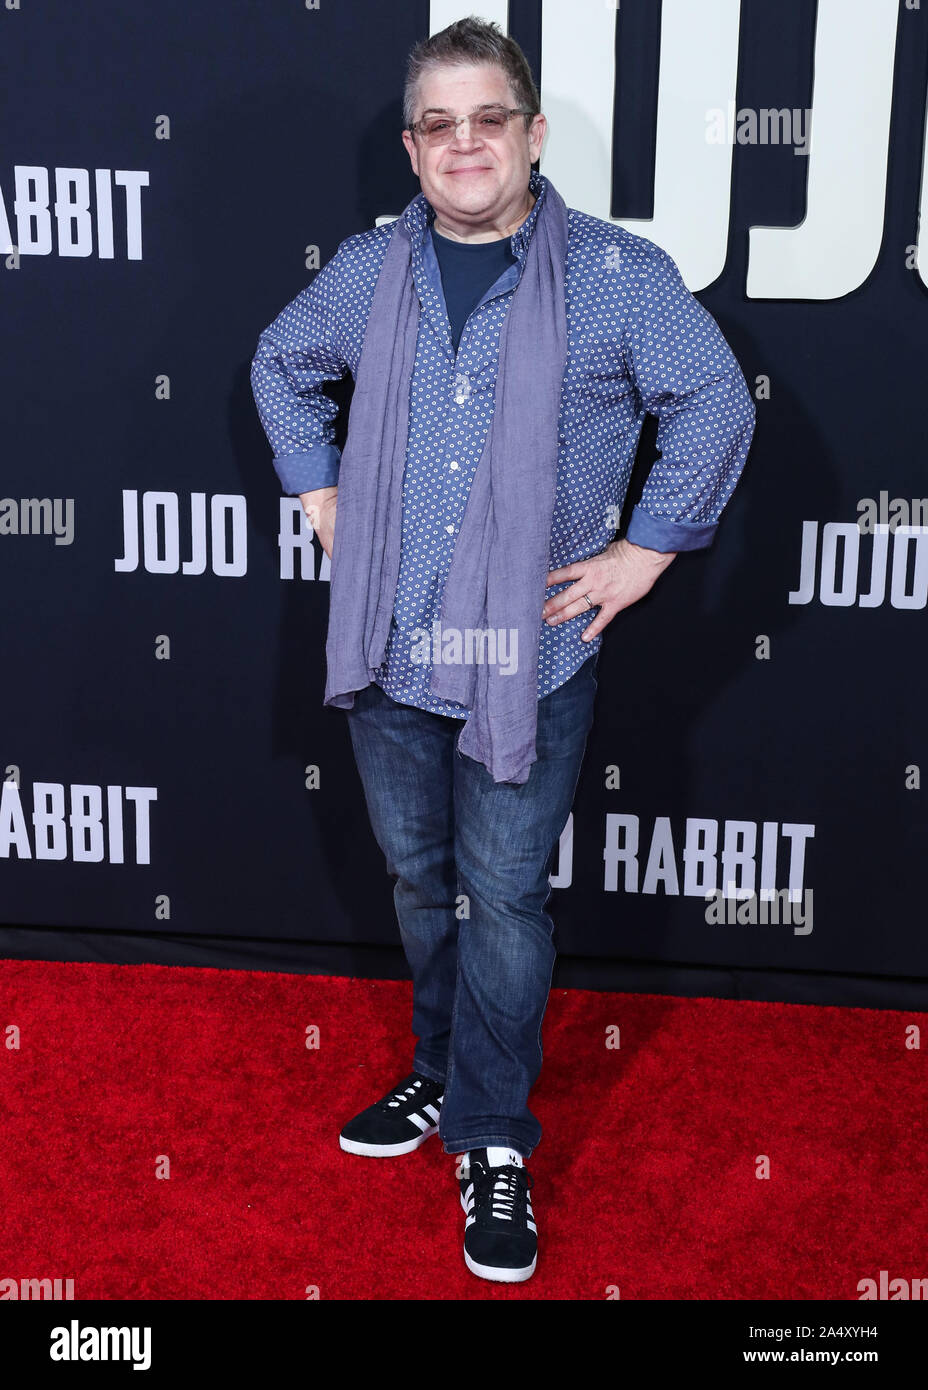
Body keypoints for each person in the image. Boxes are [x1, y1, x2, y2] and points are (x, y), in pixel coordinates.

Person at [250, 16, 755, 1285]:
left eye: (489, 119)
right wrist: (318, 490)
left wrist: (646, 552)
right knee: (423, 886)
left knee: (507, 898)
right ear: (415, 149)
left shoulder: (616, 274)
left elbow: (707, 397)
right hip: (391, 650)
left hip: (530, 656)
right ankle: (437, 1071)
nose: (463, 143)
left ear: (530, 134)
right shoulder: (371, 274)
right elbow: (279, 363)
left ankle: (490, 1133)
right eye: (438, 124)